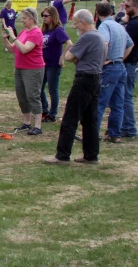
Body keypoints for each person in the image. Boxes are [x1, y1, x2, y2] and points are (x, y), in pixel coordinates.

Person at [43, 9, 106, 165]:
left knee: (70, 118)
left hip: (84, 80)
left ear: (83, 23)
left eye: (76, 23)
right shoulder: (99, 36)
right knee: (90, 120)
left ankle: (62, 156)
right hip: (96, 79)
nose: (75, 26)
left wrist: (75, 57)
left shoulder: (88, 36)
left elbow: (69, 56)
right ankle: (91, 155)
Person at [3, 6, 44, 135]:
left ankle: (38, 125)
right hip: (20, 68)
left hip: (33, 69)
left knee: (32, 95)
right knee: (22, 96)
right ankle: (26, 122)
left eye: (25, 19)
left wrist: (13, 36)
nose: (23, 21)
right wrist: (5, 38)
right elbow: (12, 49)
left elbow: (25, 49)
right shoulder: (24, 32)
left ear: (32, 19)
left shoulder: (36, 33)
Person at [95, 2, 133, 144]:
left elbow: (104, 42)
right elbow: (131, 44)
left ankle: (92, 134)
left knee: (100, 103)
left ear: (97, 13)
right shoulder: (119, 26)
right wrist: (120, 58)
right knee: (118, 104)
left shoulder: (104, 26)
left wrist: (103, 60)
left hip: (109, 68)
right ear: (111, 12)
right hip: (120, 67)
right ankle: (115, 134)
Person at [117, 0, 138, 138]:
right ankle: (124, 126)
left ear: (136, 7)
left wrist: (122, 17)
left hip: (130, 64)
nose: (124, 8)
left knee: (125, 97)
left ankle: (129, 128)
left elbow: (120, 34)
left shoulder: (136, 24)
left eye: (127, 6)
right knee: (122, 96)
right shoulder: (134, 21)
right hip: (128, 63)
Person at [39, 5, 73, 123]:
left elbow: (69, 43)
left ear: (53, 16)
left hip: (53, 64)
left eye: (46, 16)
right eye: (42, 15)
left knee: (53, 90)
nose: (44, 18)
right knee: (39, 88)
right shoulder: (45, 29)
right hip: (43, 63)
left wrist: (62, 57)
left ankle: (52, 114)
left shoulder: (58, 30)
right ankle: (44, 109)